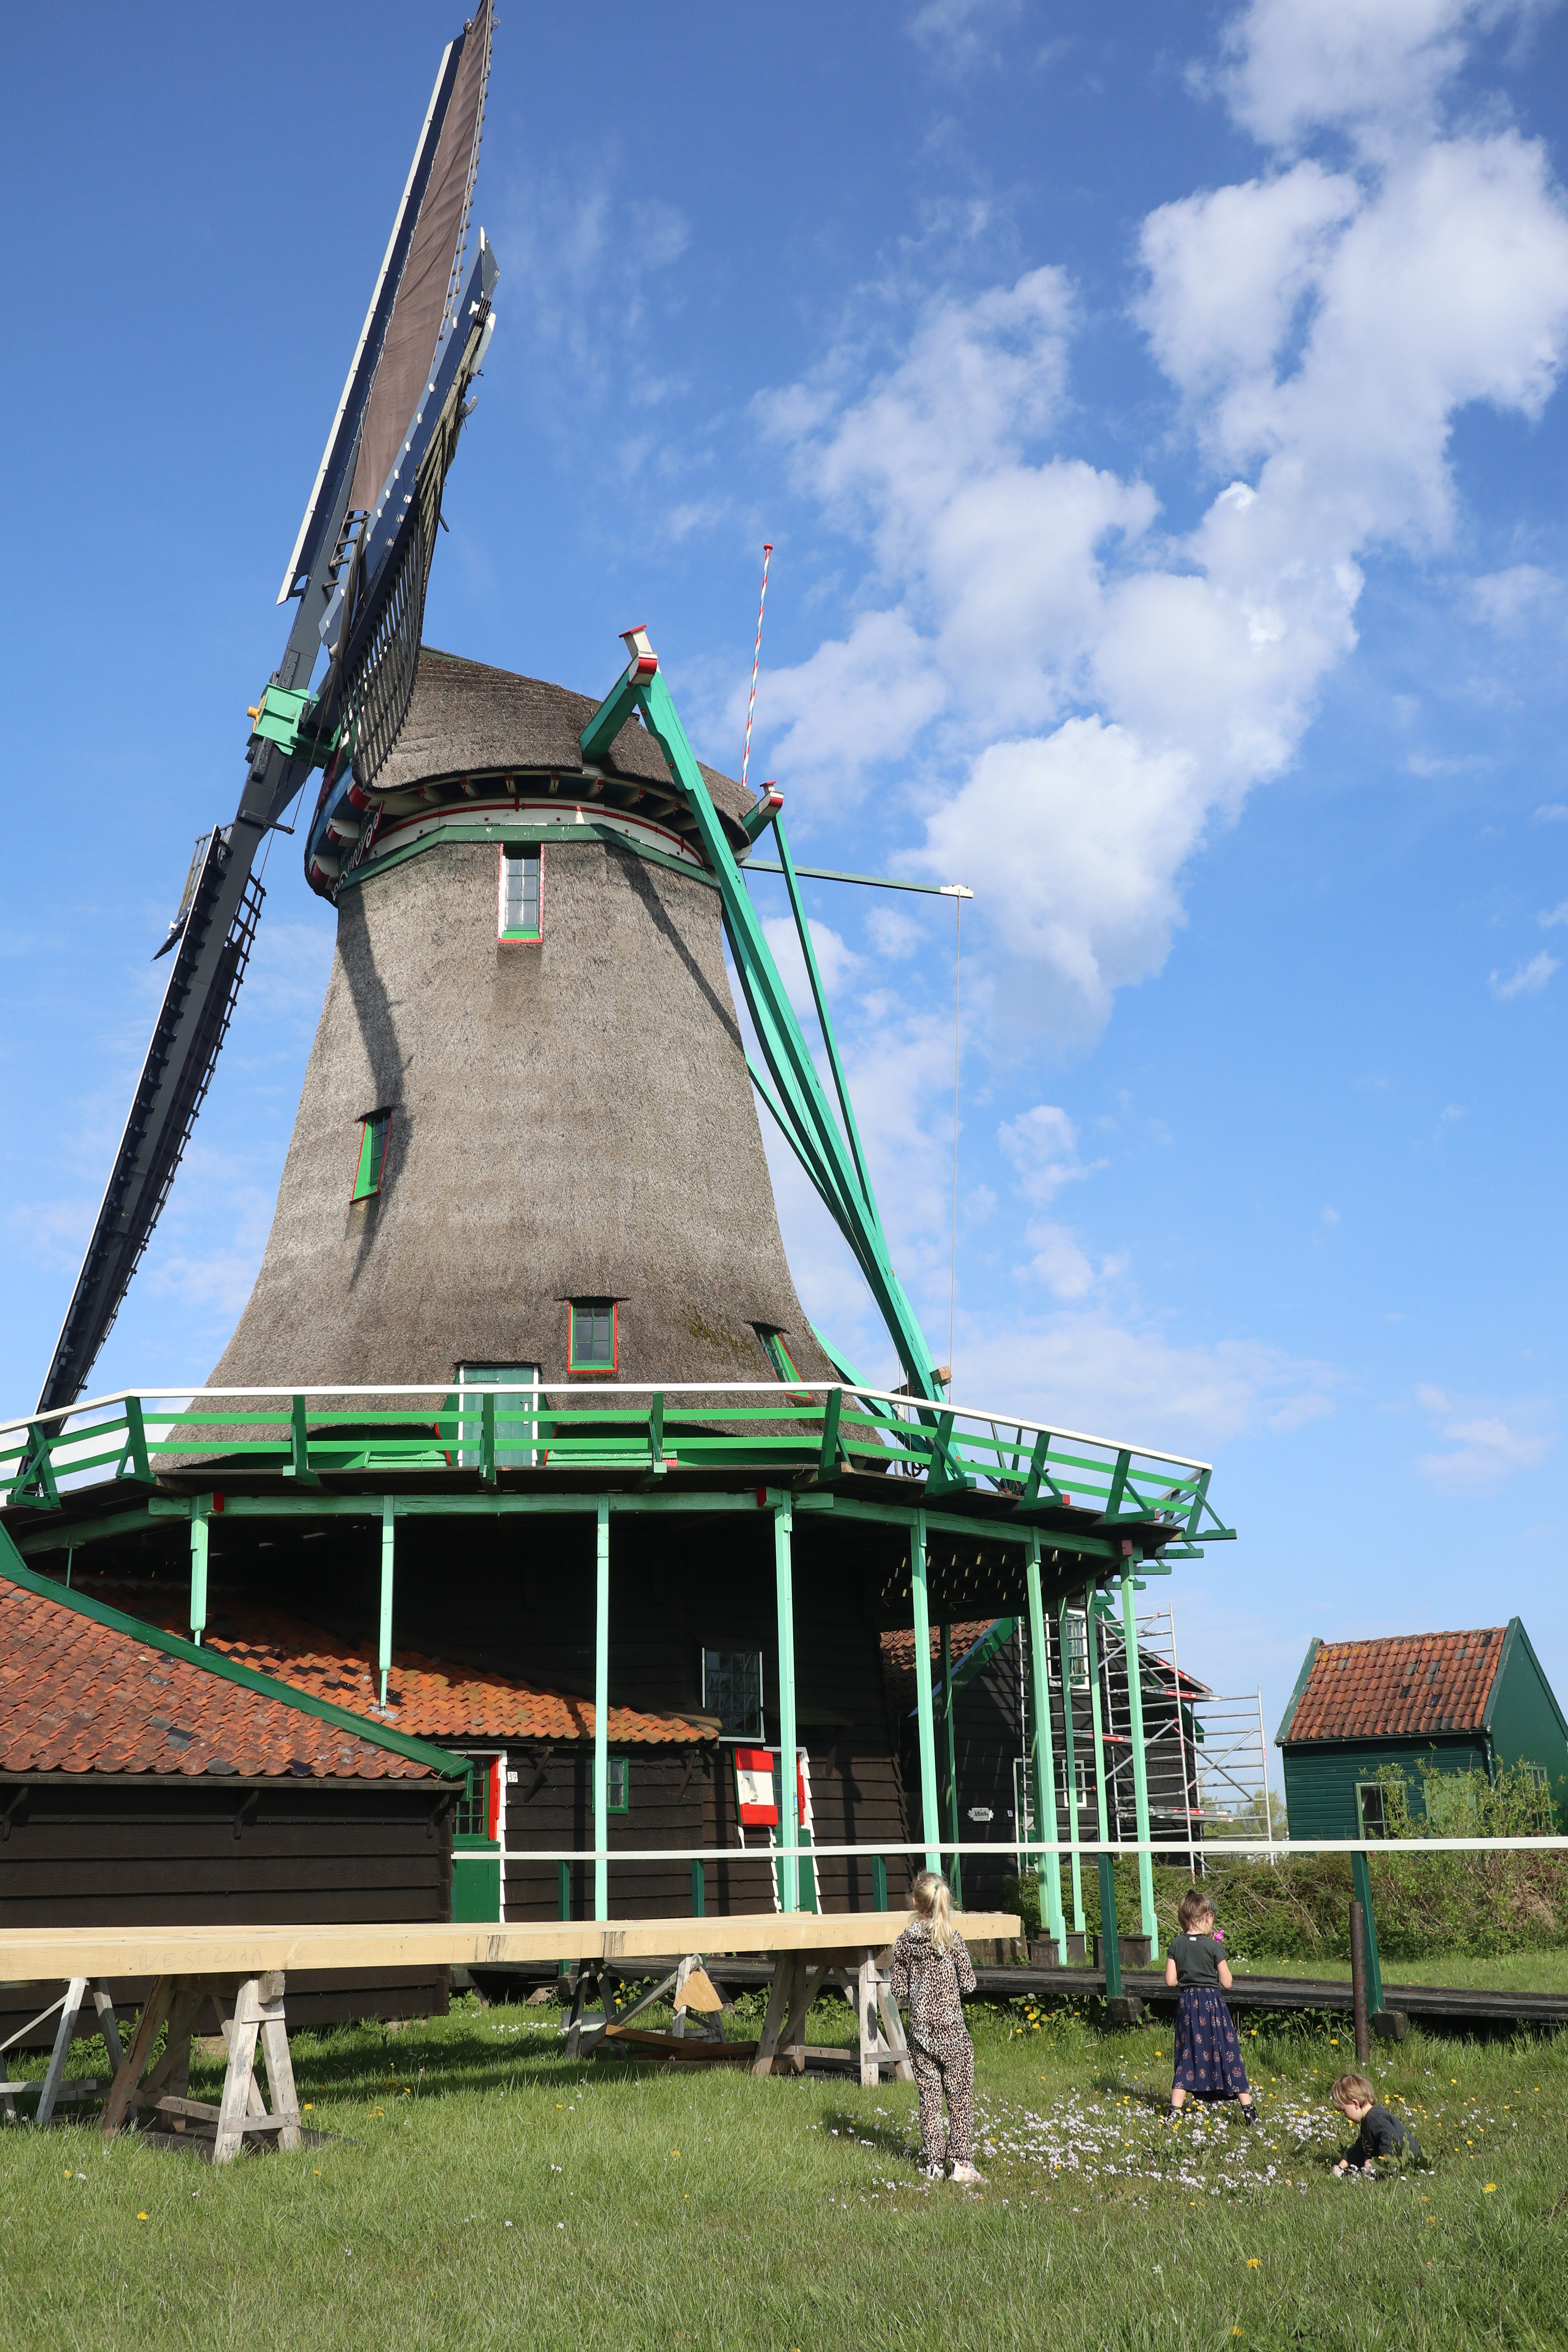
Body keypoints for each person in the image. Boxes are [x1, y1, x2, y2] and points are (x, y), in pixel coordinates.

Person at [890, 1871, 983, 2183]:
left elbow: (899, 1991)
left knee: (929, 2098)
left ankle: (933, 2164)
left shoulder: (904, 1943)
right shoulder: (953, 1940)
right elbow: (969, 1984)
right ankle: (960, 2164)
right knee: (959, 2098)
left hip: (921, 2034)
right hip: (954, 2034)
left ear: (916, 1903)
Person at [1164, 1886, 1257, 2123]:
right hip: (1212, 2005)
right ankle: (1249, 2111)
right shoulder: (1214, 1946)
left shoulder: (1176, 1944)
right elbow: (1227, 1983)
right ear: (1207, 1918)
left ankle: (1174, 2111)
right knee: (1227, 2051)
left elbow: (1170, 1981)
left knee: (1188, 2053)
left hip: (1187, 2004)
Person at [1330, 2071, 1421, 2173]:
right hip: (1399, 2160)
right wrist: (1343, 2164)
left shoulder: (1376, 2119)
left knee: (1367, 2172)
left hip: (1405, 2159)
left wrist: (1381, 2161)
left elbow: (1390, 2138)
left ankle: (1351, 2174)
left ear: (1355, 2104)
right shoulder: (1369, 2120)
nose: (1345, 2116)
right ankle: (1344, 2172)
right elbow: (1361, 2147)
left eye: (1344, 2111)